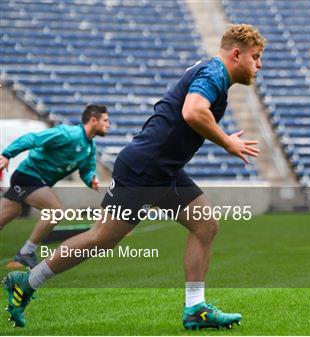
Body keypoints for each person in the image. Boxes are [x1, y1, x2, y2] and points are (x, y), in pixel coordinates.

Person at [2, 23, 264, 329]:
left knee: (205, 224)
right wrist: (228, 141)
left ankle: (196, 309)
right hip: (146, 168)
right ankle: (28, 281)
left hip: (163, 169)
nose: (258, 65)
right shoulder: (214, 73)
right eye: (256, 57)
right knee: (101, 238)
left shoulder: (213, 72)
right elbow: (192, 111)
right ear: (237, 54)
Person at [0, 104, 110, 268]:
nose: (108, 125)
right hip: (28, 175)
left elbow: (87, 170)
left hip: (38, 182)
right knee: (55, 210)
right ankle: (26, 252)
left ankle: (26, 253)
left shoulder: (90, 147)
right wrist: (7, 154)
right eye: (106, 121)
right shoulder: (68, 134)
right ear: (93, 121)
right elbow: (33, 139)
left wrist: (91, 179)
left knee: (9, 213)